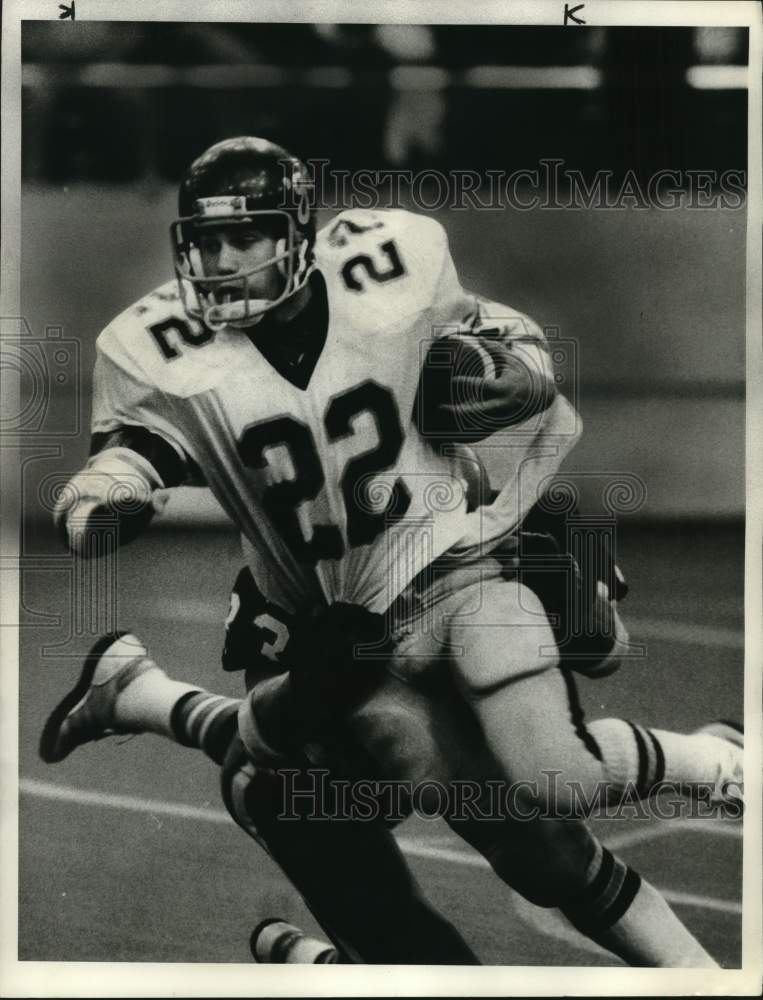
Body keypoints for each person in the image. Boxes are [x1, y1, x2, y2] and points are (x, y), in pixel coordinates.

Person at [46, 136, 742, 966]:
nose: (223, 259)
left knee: (552, 799)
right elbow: (130, 456)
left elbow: (498, 331)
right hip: (331, 625)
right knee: (378, 803)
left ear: (299, 233)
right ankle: (318, 948)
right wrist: (103, 498)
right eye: (208, 240)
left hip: (452, 564)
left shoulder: (390, 265)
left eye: (249, 237)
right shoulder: (156, 343)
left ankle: (708, 775)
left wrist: (521, 371)